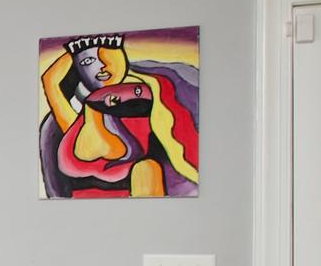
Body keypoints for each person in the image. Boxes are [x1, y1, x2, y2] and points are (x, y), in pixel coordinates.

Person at [39, 33, 200, 198]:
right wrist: (76, 49)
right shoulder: (73, 125)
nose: (101, 65)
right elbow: (50, 80)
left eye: (107, 55)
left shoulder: (146, 118)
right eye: (88, 61)